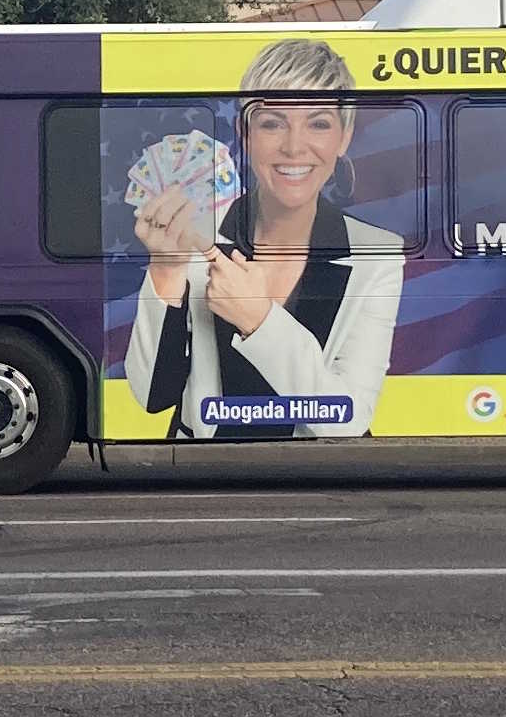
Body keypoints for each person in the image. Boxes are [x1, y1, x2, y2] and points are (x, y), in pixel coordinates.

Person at [123, 39, 404, 438]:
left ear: (344, 137)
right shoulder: (195, 230)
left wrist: (260, 320)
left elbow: (350, 417)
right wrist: (165, 271)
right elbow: (153, 396)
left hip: (316, 482)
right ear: (245, 133)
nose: (293, 147)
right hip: (202, 477)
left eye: (318, 123)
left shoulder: (378, 256)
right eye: (272, 122)